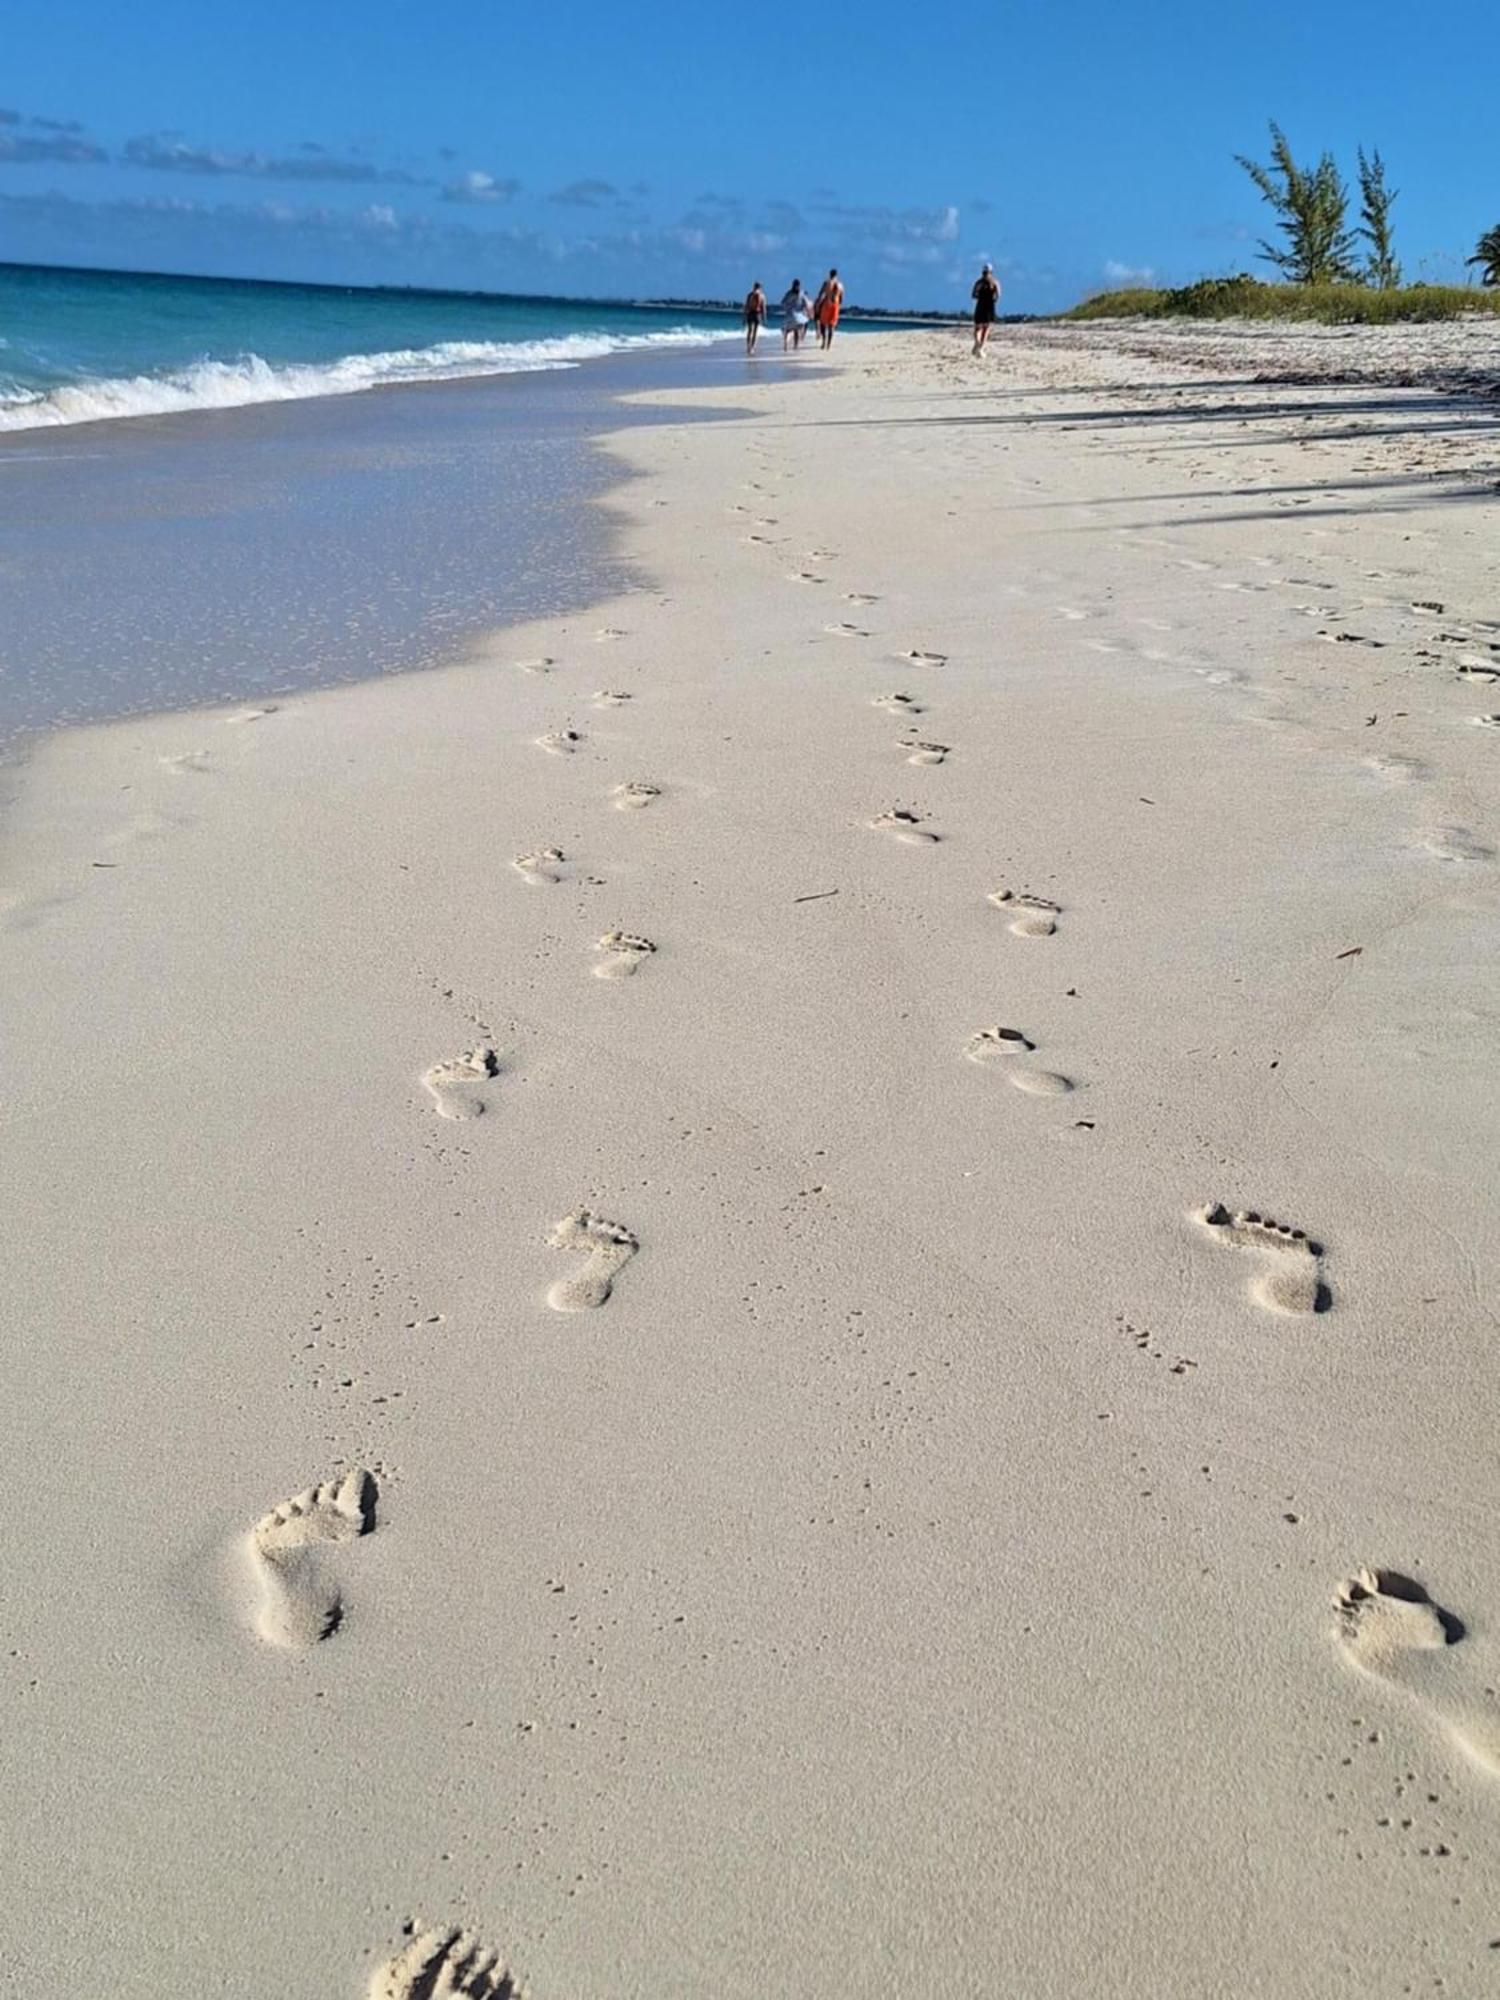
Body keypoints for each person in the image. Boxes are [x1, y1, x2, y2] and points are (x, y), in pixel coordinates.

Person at [971, 262, 1001, 356]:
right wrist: (993, 299)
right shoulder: (995, 282)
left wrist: (980, 296)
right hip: (990, 306)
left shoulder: (979, 282)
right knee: (986, 328)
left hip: (980, 305)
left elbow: (973, 295)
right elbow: (998, 295)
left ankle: (977, 342)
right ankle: (981, 348)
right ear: (991, 272)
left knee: (977, 327)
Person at [779, 277, 813, 351]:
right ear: (799, 285)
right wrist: (809, 313)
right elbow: (807, 304)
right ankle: (795, 346)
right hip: (797, 316)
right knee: (798, 329)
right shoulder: (801, 293)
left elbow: (782, 303)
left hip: (789, 315)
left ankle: (786, 343)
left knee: (787, 330)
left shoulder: (788, 293)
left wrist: (787, 308)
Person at [813, 268, 844, 350]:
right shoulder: (840, 285)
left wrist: (817, 304)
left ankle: (823, 342)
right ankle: (828, 345)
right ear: (836, 275)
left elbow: (820, 293)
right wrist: (838, 305)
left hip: (827, 304)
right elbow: (841, 298)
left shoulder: (826, 282)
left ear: (830, 274)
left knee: (823, 323)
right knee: (832, 326)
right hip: (836, 305)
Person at [743, 280, 767, 354]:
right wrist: (764, 317)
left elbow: (746, 306)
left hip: (750, 313)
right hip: (757, 314)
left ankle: (748, 346)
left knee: (750, 331)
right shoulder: (762, 296)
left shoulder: (749, 295)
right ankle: (752, 348)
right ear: (760, 288)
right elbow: (763, 307)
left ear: (753, 287)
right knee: (755, 332)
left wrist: (744, 317)